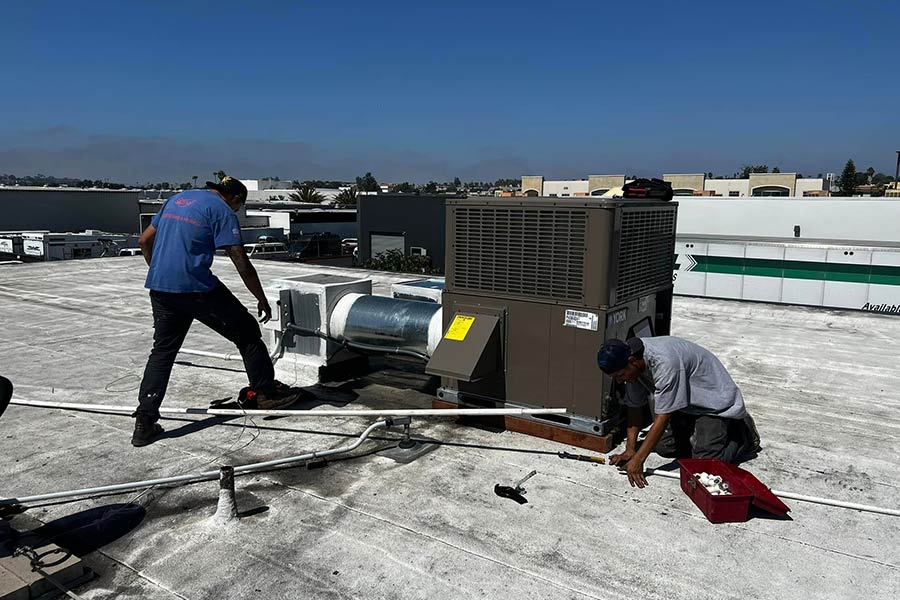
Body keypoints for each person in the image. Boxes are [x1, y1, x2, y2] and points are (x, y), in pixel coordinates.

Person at [132, 176, 305, 447]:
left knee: (163, 352)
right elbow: (239, 258)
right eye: (240, 206)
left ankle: (144, 422)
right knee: (247, 332)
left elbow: (144, 241)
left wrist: (161, 272)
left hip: (161, 288)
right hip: (197, 288)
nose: (238, 210)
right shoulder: (222, 210)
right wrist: (260, 298)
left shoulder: (176, 199)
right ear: (235, 198)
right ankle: (265, 393)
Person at [598, 336, 760, 488]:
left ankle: (743, 436)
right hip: (686, 404)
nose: (619, 381)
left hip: (714, 405)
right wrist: (630, 449)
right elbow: (634, 408)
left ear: (632, 362)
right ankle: (700, 438)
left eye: (620, 375)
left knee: (705, 467)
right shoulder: (631, 364)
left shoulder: (665, 363)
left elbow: (663, 416)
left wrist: (639, 460)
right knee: (663, 447)